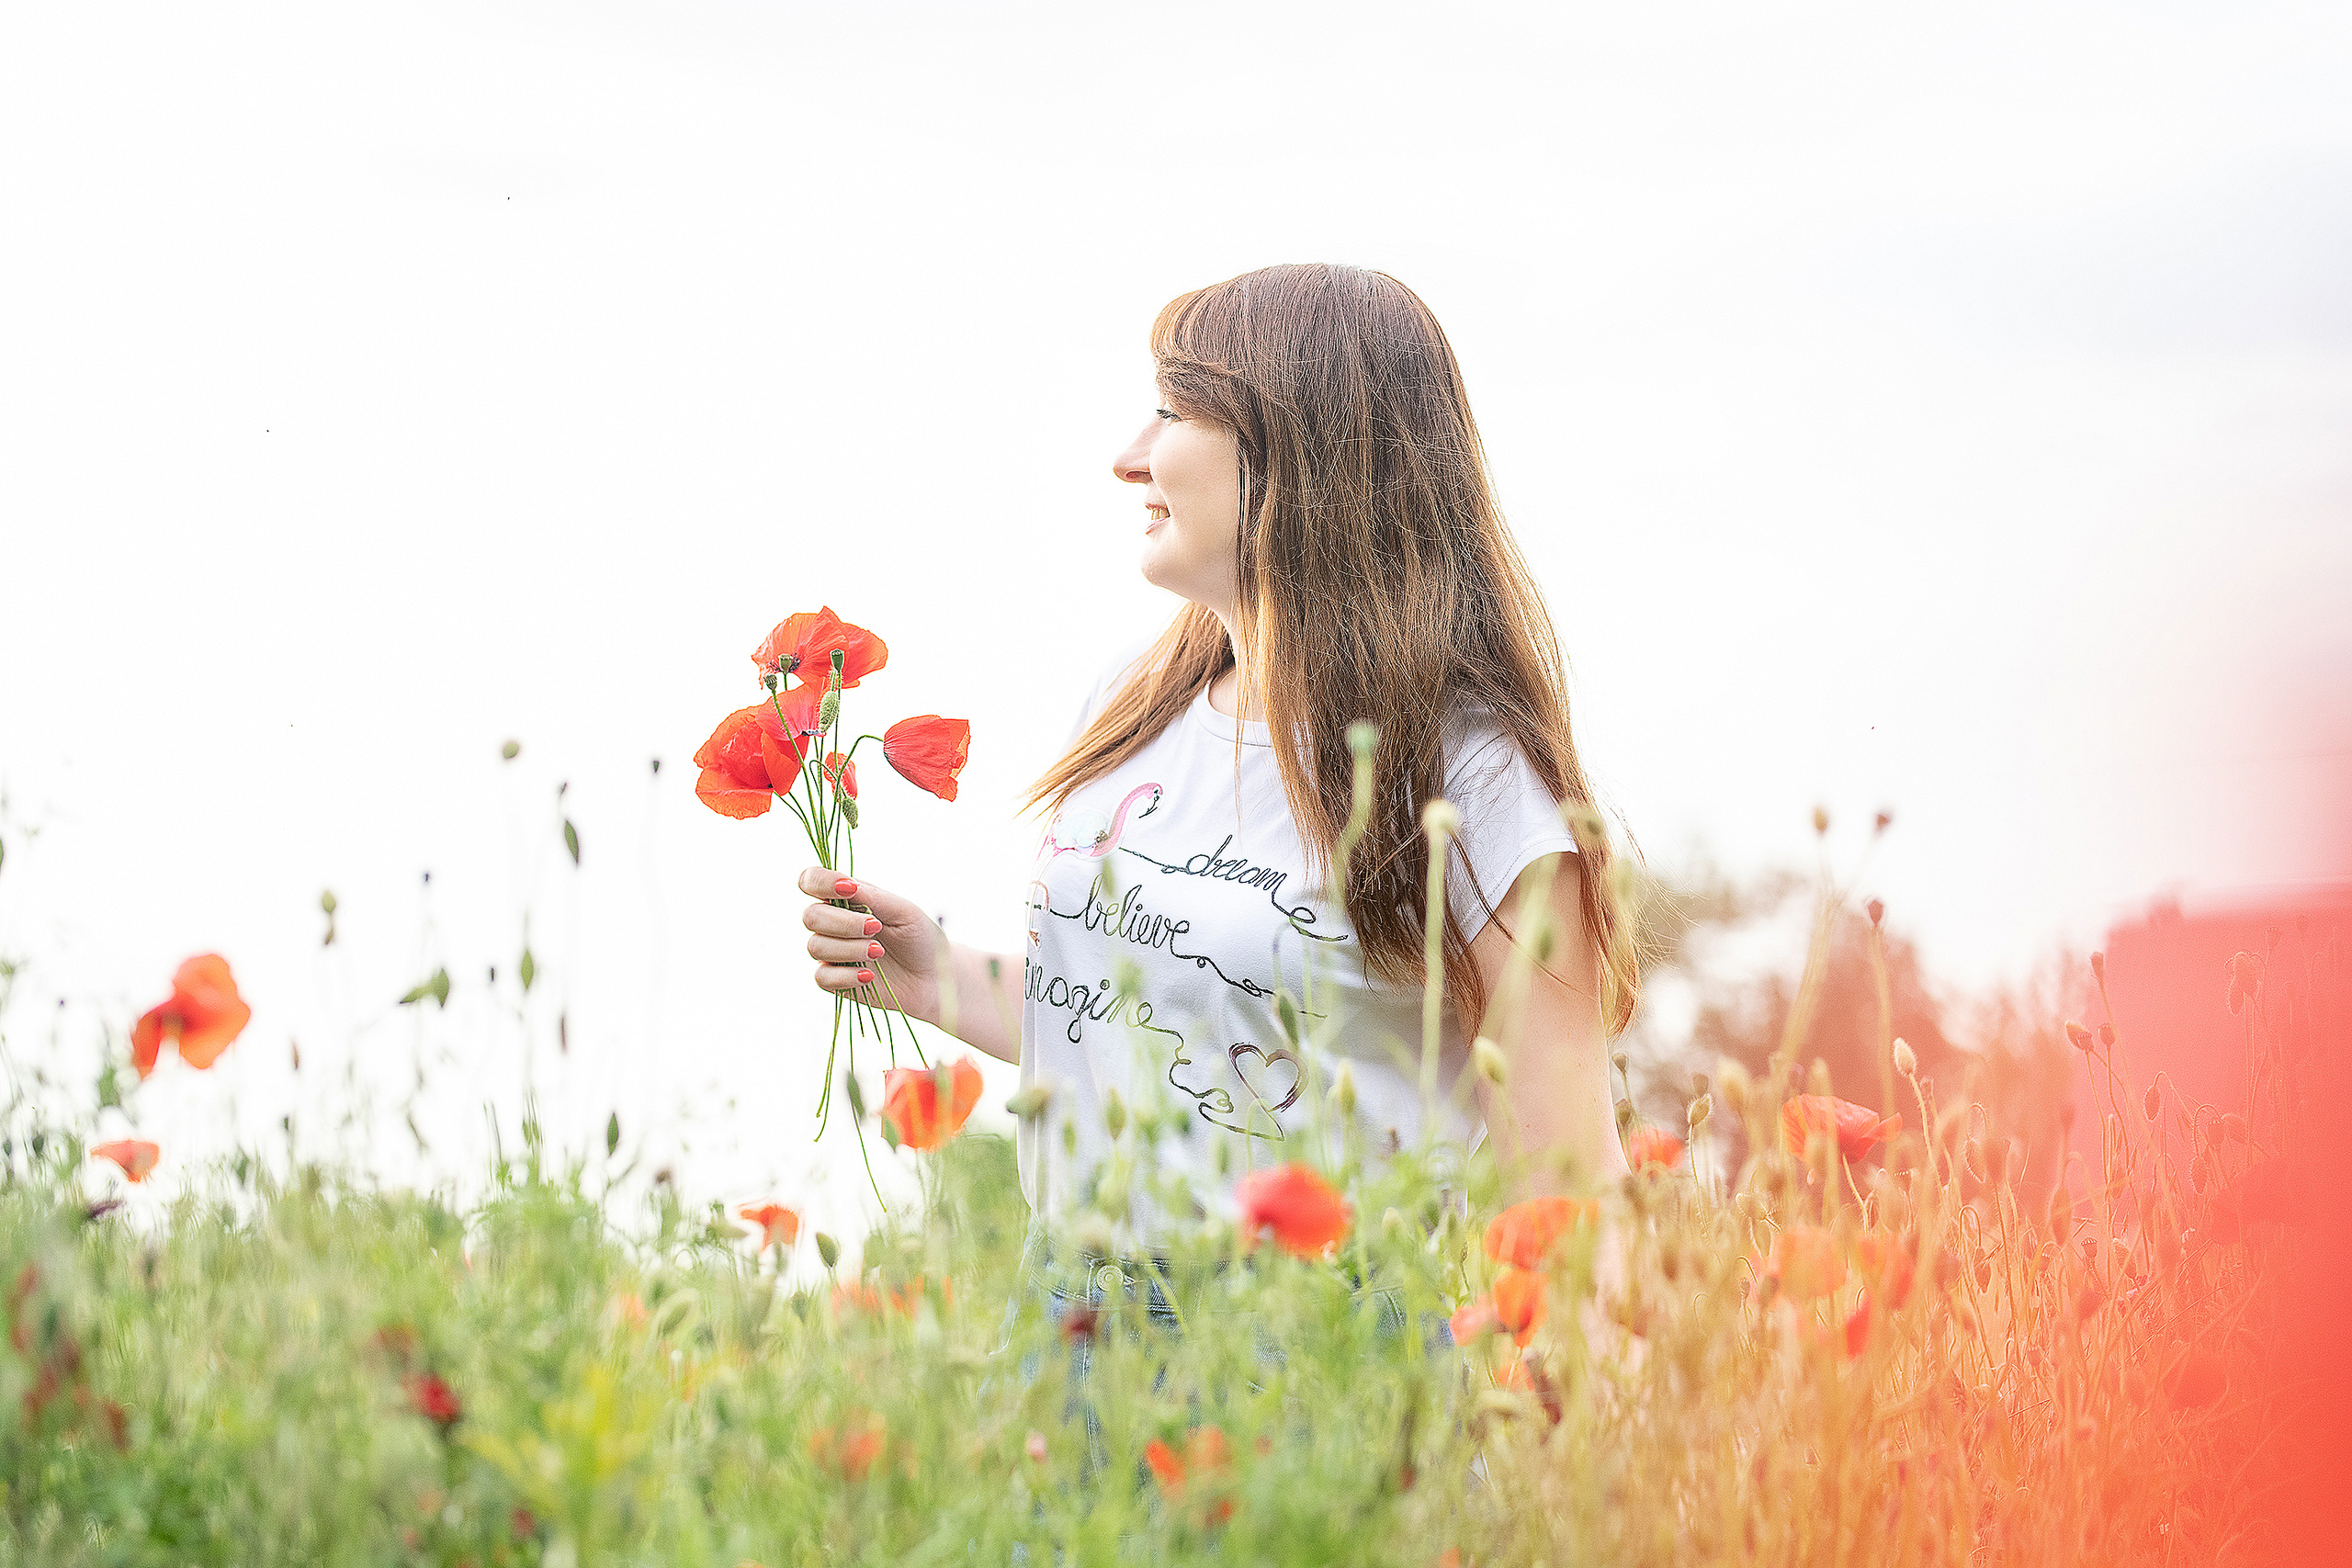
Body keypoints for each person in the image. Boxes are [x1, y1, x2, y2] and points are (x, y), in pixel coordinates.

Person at [795, 263, 1637, 1284]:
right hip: (1071, 1311)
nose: (1127, 459)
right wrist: (941, 978)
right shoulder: (1131, 700)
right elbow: (1151, 1013)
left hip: (1319, 1334)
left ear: (1300, 450)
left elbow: (1570, 1184)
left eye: (1171, 412)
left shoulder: (1474, 779)